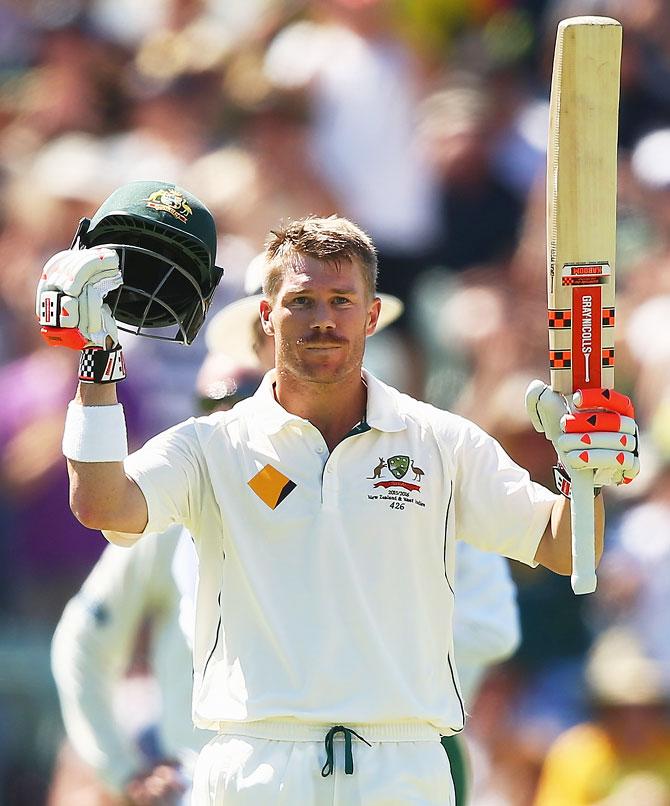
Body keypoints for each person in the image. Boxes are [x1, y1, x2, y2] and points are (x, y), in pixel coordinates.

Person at [40, 204, 639, 804]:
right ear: (267, 316)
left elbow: (567, 549)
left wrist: (580, 474)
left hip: (401, 765)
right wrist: (97, 365)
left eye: (341, 301)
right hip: (258, 764)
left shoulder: (441, 441)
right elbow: (102, 505)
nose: (322, 319)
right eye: (301, 301)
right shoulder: (210, 445)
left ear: (372, 314)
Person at [49, 361, 265, 805]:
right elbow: (83, 641)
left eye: (244, 401)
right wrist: (122, 770)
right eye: (213, 405)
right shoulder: (170, 514)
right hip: (199, 787)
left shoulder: (329, 506)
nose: (227, 420)